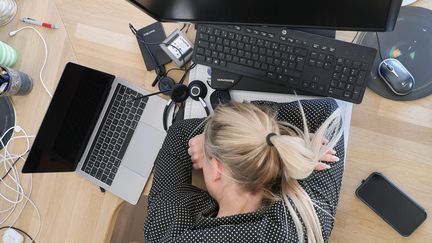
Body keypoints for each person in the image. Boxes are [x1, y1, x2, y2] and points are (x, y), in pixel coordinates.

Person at [144, 98, 345, 243]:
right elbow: (328, 113)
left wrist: (210, 135)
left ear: (217, 168)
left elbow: (179, 133)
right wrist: (261, 137)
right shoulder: (302, 223)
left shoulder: (166, 229)